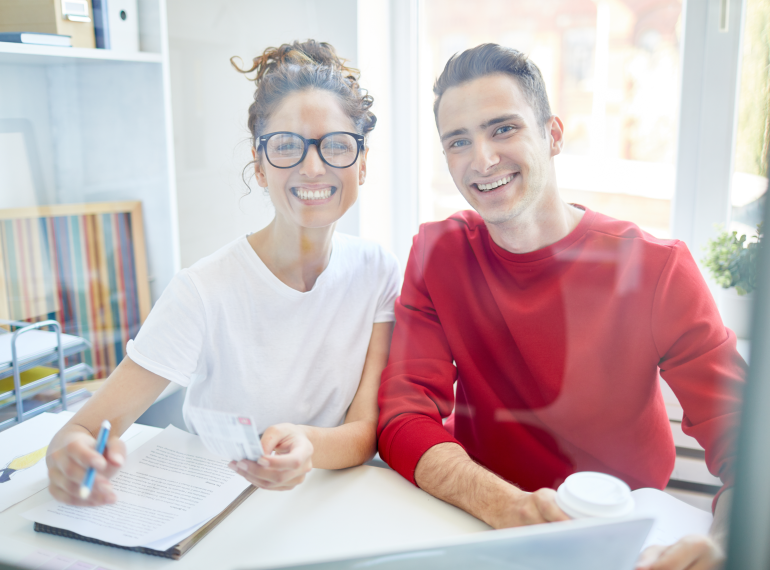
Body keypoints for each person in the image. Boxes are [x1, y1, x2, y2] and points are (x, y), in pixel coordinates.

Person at [377, 44, 744, 570]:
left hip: (622, 534)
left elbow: (747, 438)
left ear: (552, 134)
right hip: (484, 523)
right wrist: (500, 503)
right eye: (459, 141)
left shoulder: (656, 268)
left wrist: (729, 541)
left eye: (503, 128)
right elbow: (402, 414)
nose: (481, 159)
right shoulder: (438, 252)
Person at [46, 40, 399, 506]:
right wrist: (70, 454)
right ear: (259, 164)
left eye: (336, 145)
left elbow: (362, 434)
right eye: (287, 146)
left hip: (323, 506)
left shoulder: (377, 271)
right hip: (213, 510)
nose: (313, 167)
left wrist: (307, 446)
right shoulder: (202, 290)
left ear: (363, 162)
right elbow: (85, 428)